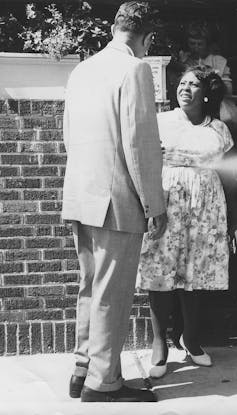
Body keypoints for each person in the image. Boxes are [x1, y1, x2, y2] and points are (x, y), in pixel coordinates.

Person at [62, 1, 167, 402]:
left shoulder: (82, 69)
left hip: (81, 195)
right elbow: (139, 145)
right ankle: (104, 383)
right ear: (147, 38)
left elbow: (69, 135)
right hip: (116, 200)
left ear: (113, 27)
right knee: (112, 294)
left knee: (90, 286)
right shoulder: (135, 69)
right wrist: (154, 204)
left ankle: (83, 367)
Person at [138, 65, 233, 378]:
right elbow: (144, 162)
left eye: (194, 85)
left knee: (195, 274)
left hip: (207, 206)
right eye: (182, 83)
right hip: (167, 201)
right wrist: (150, 204)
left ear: (206, 94)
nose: (186, 89)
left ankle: (191, 340)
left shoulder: (219, 128)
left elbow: (230, 175)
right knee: (160, 270)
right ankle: (158, 344)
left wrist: (231, 220)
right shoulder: (161, 122)